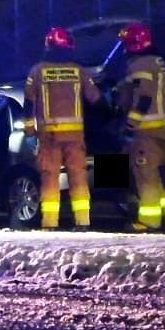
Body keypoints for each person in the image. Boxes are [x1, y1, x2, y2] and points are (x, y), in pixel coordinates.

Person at [25, 27, 101, 229]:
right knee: (78, 177)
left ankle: (50, 222)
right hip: (74, 136)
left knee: (50, 178)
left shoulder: (37, 71)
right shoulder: (79, 71)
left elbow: (28, 103)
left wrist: (30, 132)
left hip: (49, 137)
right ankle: (83, 221)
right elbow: (96, 99)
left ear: (48, 46)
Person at [116, 23, 165, 231]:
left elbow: (144, 96)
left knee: (147, 176)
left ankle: (149, 220)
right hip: (163, 130)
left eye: (126, 44)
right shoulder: (158, 64)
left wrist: (130, 123)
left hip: (145, 132)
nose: (124, 48)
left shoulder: (139, 65)